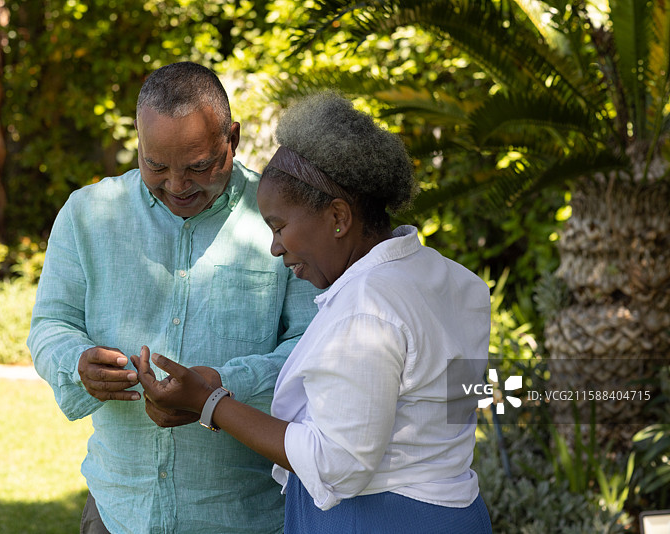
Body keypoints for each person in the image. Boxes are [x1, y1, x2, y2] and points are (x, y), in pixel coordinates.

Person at [136, 92, 494, 533]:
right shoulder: (459, 283)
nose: (275, 247)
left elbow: (336, 465)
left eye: (280, 226)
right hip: (455, 513)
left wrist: (209, 404)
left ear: (338, 217)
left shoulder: (367, 310)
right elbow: (446, 416)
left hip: (376, 520)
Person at [26, 62, 320, 534]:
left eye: (199, 166)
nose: (178, 186)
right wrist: (77, 362)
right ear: (138, 143)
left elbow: (311, 345)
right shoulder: (87, 213)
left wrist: (219, 390)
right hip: (117, 510)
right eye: (156, 166)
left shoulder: (282, 218)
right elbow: (50, 324)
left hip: (243, 516)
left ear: (233, 140)